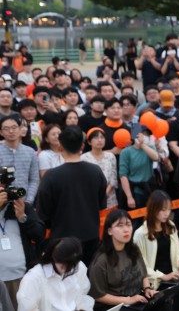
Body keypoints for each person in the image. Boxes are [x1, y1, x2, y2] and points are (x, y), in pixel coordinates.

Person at [35, 126, 107, 265]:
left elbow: (43, 213)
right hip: (91, 235)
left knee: (64, 276)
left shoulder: (51, 176)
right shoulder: (95, 171)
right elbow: (101, 204)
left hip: (62, 238)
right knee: (88, 275)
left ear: (60, 147)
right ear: (82, 146)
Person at [133, 191, 179, 311]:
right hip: (156, 280)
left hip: (173, 275)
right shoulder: (140, 234)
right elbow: (140, 266)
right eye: (163, 210)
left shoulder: (170, 226)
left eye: (169, 209)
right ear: (153, 209)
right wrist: (163, 276)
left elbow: (178, 252)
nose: (167, 213)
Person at [89, 209, 160, 311]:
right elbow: (98, 295)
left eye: (128, 224)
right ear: (109, 231)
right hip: (116, 306)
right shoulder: (101, 260)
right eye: (120, 225)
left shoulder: (134, 249)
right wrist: (127, 300)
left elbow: (143, 274)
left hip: (137, 299)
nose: (126, 229)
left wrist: (147, 289)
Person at [0, 170, 45, 311]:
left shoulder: (20, 206)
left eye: (4, 186)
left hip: (22, 277)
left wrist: (23, 218)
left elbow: (39, 235)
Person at [16, 237, 94, 311]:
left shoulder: (79, 267)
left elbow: (82, 293)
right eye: (63, 266)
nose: (67, 270)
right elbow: (27, 308)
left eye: (71, 267)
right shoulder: (34, 277)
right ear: (54, 258)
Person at [0, 115, 39, 203]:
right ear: (1, 132)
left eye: (14, 127)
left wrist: (29, 200)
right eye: (6, 129)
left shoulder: (30, 152)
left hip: (24, 201)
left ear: (20, 129)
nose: (11, 131)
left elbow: (34, 179)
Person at [81, 127, 119, 209]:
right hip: (90, 197)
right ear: (89, 142)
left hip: (110, 197)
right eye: (96, 137)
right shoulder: (83, 158)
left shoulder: (111, 156)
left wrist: (105, 193)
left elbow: (113, 177)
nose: (99, 140)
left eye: (102, 137)